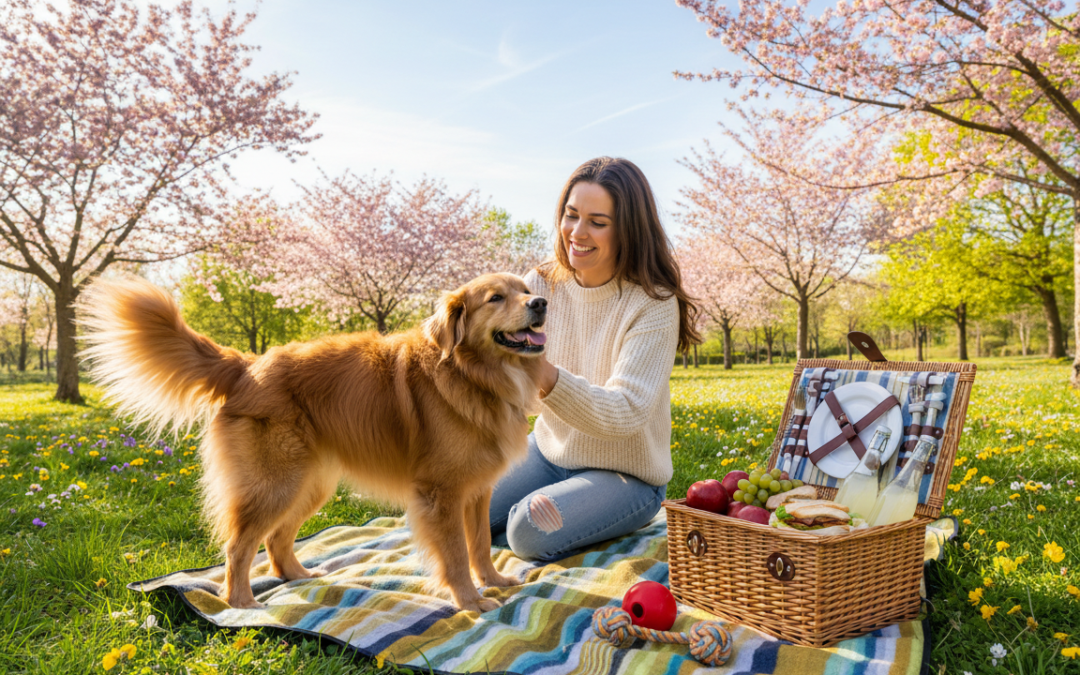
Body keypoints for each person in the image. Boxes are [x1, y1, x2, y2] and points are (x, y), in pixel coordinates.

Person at [489, 156, 700, 562]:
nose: (577, 233)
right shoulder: (540, 284)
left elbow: (626, 412)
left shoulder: (653, 303)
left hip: (627, 476)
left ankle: (556, 512)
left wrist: (545, 376)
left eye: (597, 222)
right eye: (571, 216)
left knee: (527, 531)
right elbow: (520, 391)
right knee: (450, 508)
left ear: (628, 230)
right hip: (550, 453)